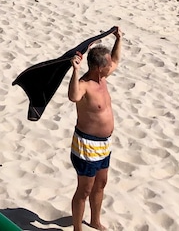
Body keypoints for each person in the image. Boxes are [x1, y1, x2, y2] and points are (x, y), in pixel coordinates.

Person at [68, 27, 124, 231]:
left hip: (104, 145)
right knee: (84, 190)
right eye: (108, 64)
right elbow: (73, 96)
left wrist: (119, 39)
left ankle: (95, 221)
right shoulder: (85, 85)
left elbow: (116, 59)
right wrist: (74, 70)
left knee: (101, 184)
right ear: (99, 67)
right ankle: (77, 229)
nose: (112, 66)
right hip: (86, 146)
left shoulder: (103, 77)